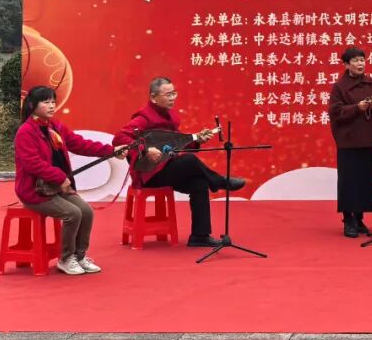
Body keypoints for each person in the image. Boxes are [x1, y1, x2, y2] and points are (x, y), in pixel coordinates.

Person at [113, 77, 245, 248]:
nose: (172, 98)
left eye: (174, 93)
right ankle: (220, 181)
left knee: (199, 182)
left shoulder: (171, 116)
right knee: (189, 160)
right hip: (149, 175)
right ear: (153, 97)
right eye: (168, 95)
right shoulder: (144, 117)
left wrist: (196, 140)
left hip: (167, 169)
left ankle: (200, 236)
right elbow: (119, 138)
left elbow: (175, 143)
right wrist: (145, 149)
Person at [15, 85, 129, 275]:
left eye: (53, 102)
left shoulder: (55, 126)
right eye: (46, 102)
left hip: (58, 187)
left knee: (86, 212)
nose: (51, 106)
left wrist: (111, 151)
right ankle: (66, 258)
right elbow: (32, 164)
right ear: (32, 105)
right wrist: (60, 177)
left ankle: (80, 256)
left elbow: (80, 144)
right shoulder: (25, 132)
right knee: (73, 214)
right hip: (35, 191)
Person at [328, 46, 372, 237]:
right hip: (348, 141)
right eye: (356, 61)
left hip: (368, 139)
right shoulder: (339, 87)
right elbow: (335, 112)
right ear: (346, 64)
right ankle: (348, 220)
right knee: (349, 181)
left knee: (365, 181)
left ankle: (359, 218)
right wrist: (356, 108)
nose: (360, 64)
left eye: (362, 60)